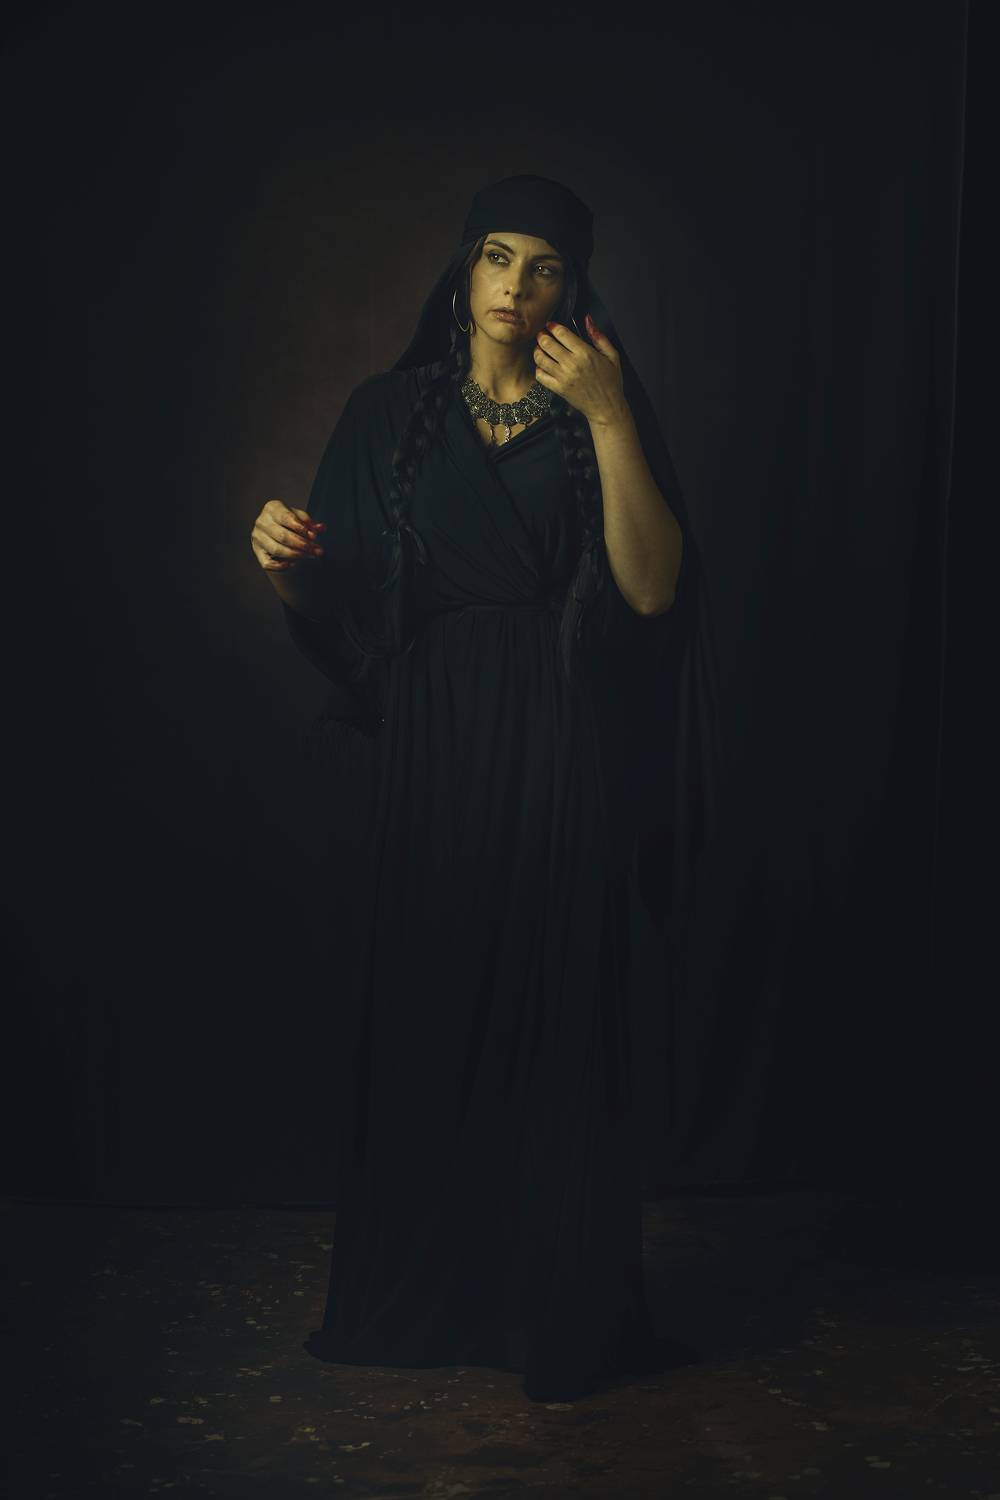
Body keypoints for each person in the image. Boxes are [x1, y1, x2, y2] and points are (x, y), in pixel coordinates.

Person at [249, 174, 723, 1402]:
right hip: (432, 745)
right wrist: (284, 565)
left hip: (562, 739)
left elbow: (653, 590)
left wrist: (608, 413)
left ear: (574, 287)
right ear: (463, 271)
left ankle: (546, 1309)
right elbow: (340, 613)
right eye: (497, 257)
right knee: (432, 1008)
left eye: (545, 266)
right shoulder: (385, 411)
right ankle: (429, 1298)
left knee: (555, 1020)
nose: (517, 285)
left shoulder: (596, 405)